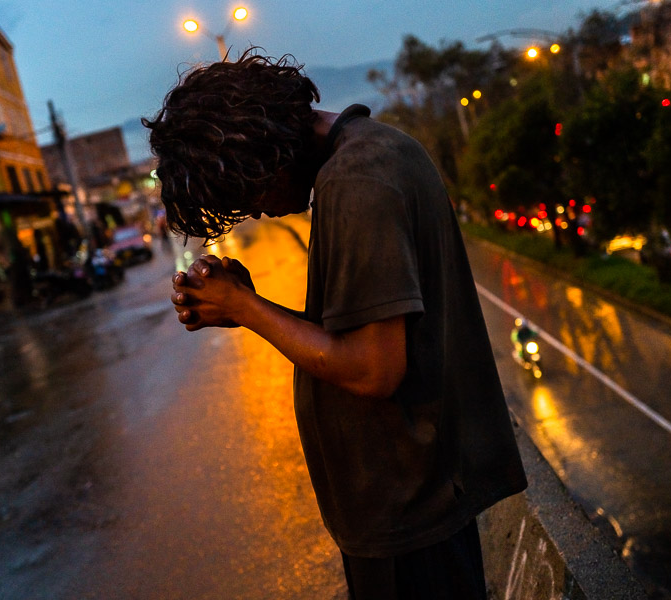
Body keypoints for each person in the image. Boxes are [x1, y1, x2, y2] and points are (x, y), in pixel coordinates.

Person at [144, 51, 527, 599]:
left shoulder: (357, 180)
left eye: (249, 191)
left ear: (263, 148)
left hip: (406, 513)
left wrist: (247, 310)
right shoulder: (364, 156)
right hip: (407, 507)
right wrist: (244, 304)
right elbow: (362, 340)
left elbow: (372, 370)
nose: (257, 210)